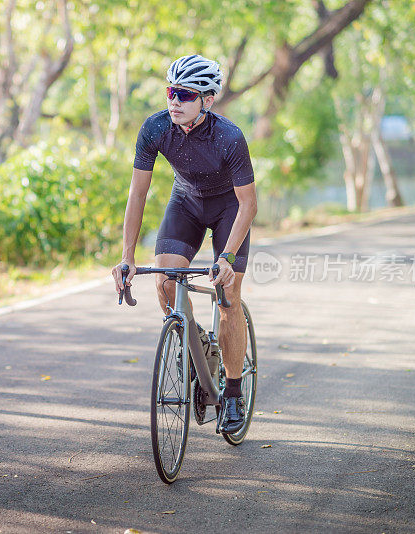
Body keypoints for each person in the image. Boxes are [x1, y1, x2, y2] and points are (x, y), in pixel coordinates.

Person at [111, 54, 257, 434]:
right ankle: (198, 345)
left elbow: (248, 204)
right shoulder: (156, 128)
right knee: (165, 279)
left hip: (229, 208)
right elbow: (138, 194)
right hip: (187, 203)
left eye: (184, 94)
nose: (173, 101)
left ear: (207, 100)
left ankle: (233, 393)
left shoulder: (229, 137)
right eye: (170, 92)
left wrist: (226, 257)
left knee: (228, 293)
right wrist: (127, 257)